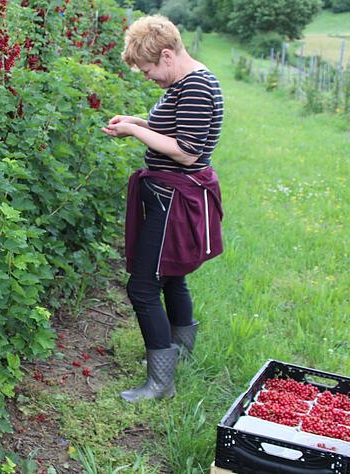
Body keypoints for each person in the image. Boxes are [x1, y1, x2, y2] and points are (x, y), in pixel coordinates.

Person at [101, 15, 224, 402]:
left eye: (150, 69)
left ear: (168, 55)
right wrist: (136, 121)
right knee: (171, 277)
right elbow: (176, 132)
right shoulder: (185, 83)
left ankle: (160, 383)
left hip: (175, 197)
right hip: (170, 195)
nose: (148, 77)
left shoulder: (197, 87)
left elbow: (187, 152)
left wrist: (137, 131)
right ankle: (175, 359)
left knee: (142, 286)